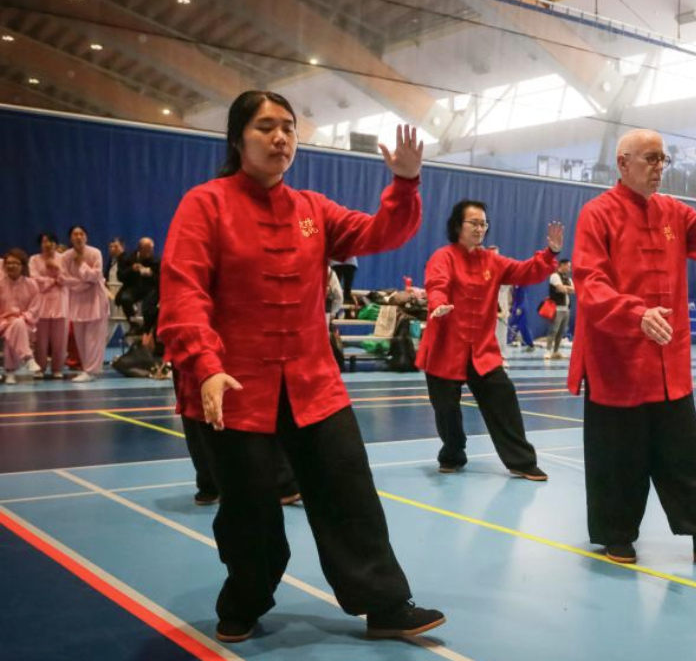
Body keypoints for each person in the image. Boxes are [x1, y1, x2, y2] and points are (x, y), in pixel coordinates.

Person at [158, 90, 443, 644]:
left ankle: (384, 603)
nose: (280, 137)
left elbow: (378, 234)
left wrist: (405, 184)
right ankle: (244, 598)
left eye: (288, 127)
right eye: (266, 127)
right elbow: (183, 292)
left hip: (315, 385)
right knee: (249, 512)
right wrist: (206, 365)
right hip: (235, 388)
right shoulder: (205, 204)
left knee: (350, 495)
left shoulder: (314, 209)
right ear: (238, 138)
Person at [568, 127, 696, 565]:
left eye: (663, 159)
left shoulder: (673, 212)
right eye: (650, 158)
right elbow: (591, 282)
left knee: (685, 452)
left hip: (669, 361)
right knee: (618, 455)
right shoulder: (596, 214)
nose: (659, 167)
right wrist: (635, 314)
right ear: (623, 164)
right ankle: (616, 534)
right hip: (617, 360)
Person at [417, 200, 561, 480]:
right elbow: (437, 284)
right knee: (446, 410)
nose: (480, 228)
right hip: (445, 349)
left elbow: (526, 271)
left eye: (484, 223)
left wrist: (550, 252)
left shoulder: (492, 261)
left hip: (481, 351)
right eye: (474, 222)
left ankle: (521, 461)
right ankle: (453, 453)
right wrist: (438, 304)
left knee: (502, 396)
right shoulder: (443, 257)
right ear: (459, 226)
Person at [62, 225, 109, 382]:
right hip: (77, 300)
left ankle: (92, 371)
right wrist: (84, 284)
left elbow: (96, 276)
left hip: (95, 299)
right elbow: (64, 279)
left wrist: (81, 263)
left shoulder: (95, 253)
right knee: (80, 337)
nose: (78, 237)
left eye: (82, 234)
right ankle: (85, 368)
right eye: (75, 234)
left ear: (86, 237)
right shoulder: (66, 256)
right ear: (70, 238)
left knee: (94, 337)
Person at [30, 232, 69, 379]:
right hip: (41, 303)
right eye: (44, 241)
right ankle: (39, 368)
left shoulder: (64, 259)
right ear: (40, 244)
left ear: (56, 244)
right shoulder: (34, 259)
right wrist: (53, 281)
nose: (48, 244)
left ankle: (57, 368)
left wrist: (56, 269)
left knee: (60, 339)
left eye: (51, 241)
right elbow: (34, 280)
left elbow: (67, 280)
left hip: (61, 302)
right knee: (40, 339)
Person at [1, 249, 42, 384]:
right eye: (8, 263)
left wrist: (23, 318)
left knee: (16, 326)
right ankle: (28, 358)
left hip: (25, 322)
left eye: (15, 263)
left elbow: (35, 308)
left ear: (22, 266)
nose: (11, 266)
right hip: (2, 321)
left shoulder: (31, 284)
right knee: (13, 327)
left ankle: (10, 372)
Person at [116, 237, 160, 327]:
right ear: (139, 249)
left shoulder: (157, 261)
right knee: (125, 298)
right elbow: (120, 277)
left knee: (148, 306)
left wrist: (151, 274)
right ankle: (134, 324)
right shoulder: (128, 259)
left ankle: (147, 328)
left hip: (149, 289)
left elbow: (161, 280)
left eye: (150, 250)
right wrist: (131, 269)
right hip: (132, 288)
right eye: (146, 250)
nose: (149, 253)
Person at [545, 257, 574, 359]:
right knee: (553, 330)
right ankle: (548, 351)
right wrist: (566, 288)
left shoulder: (568, 278)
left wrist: (565, 288)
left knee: (561, 332)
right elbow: (559, 288)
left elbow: (573, 290)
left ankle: (556, 351)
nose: (570, 269)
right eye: (569, 266)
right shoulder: (554, 276)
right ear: (562, 265)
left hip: (566, 309)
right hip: (557, 308)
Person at [507, 285, 535, 351]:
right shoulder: (514, 285)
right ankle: (511, 341)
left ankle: (530, 344)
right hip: (516, 306)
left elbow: (522, 296)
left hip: (520, 307)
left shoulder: (521, 284)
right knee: (514, 325)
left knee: (523, 326)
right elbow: (514, 297)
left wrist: (520, 307)